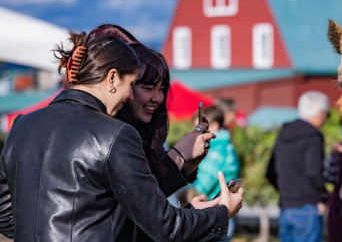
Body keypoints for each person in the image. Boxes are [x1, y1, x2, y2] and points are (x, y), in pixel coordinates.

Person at [0, 30, 243, 241]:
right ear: (113, 78)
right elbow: (165, 227)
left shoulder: (21, 126)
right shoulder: (115, 134)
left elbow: (5, 216)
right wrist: (220, 213)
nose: (129, 96)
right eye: (134, 84)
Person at [87, 24, 238, 241]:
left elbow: (144, 207)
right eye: (147, 88)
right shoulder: (115, 137)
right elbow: (155, 220)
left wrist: (186, 164)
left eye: (162, 89)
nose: (157, 98)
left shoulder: (139, 134)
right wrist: (181, 156)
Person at [266, 90, 330, 242]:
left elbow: (270, 172)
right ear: (320, 113)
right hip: (308, 208)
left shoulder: (283, 132)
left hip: (285, 207)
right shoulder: (313, 136)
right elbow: (314, 173)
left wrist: (287, 191)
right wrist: (324, 198)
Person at [192, 105, 241, 242]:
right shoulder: (227, 146)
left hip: (213, 214)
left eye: (199, 128)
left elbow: (203, 185)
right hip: (224, 212)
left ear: (213, 125)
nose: (195, 133)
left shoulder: (216, 151)